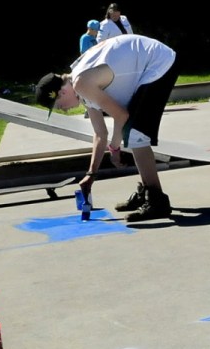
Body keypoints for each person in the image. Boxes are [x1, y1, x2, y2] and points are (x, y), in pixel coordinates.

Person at [35, 34, 179, 222]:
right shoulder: (79, 83)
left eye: (60, 106)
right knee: (131, 132)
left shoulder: (81, 83)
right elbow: (99, 134)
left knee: (135, 133)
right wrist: (91, 174)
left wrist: (115, 148)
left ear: (61, 92)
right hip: (148, 61)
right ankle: (147, 192)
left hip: (159, 63)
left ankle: (157, 201)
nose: (65, 109)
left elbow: (121, 115)